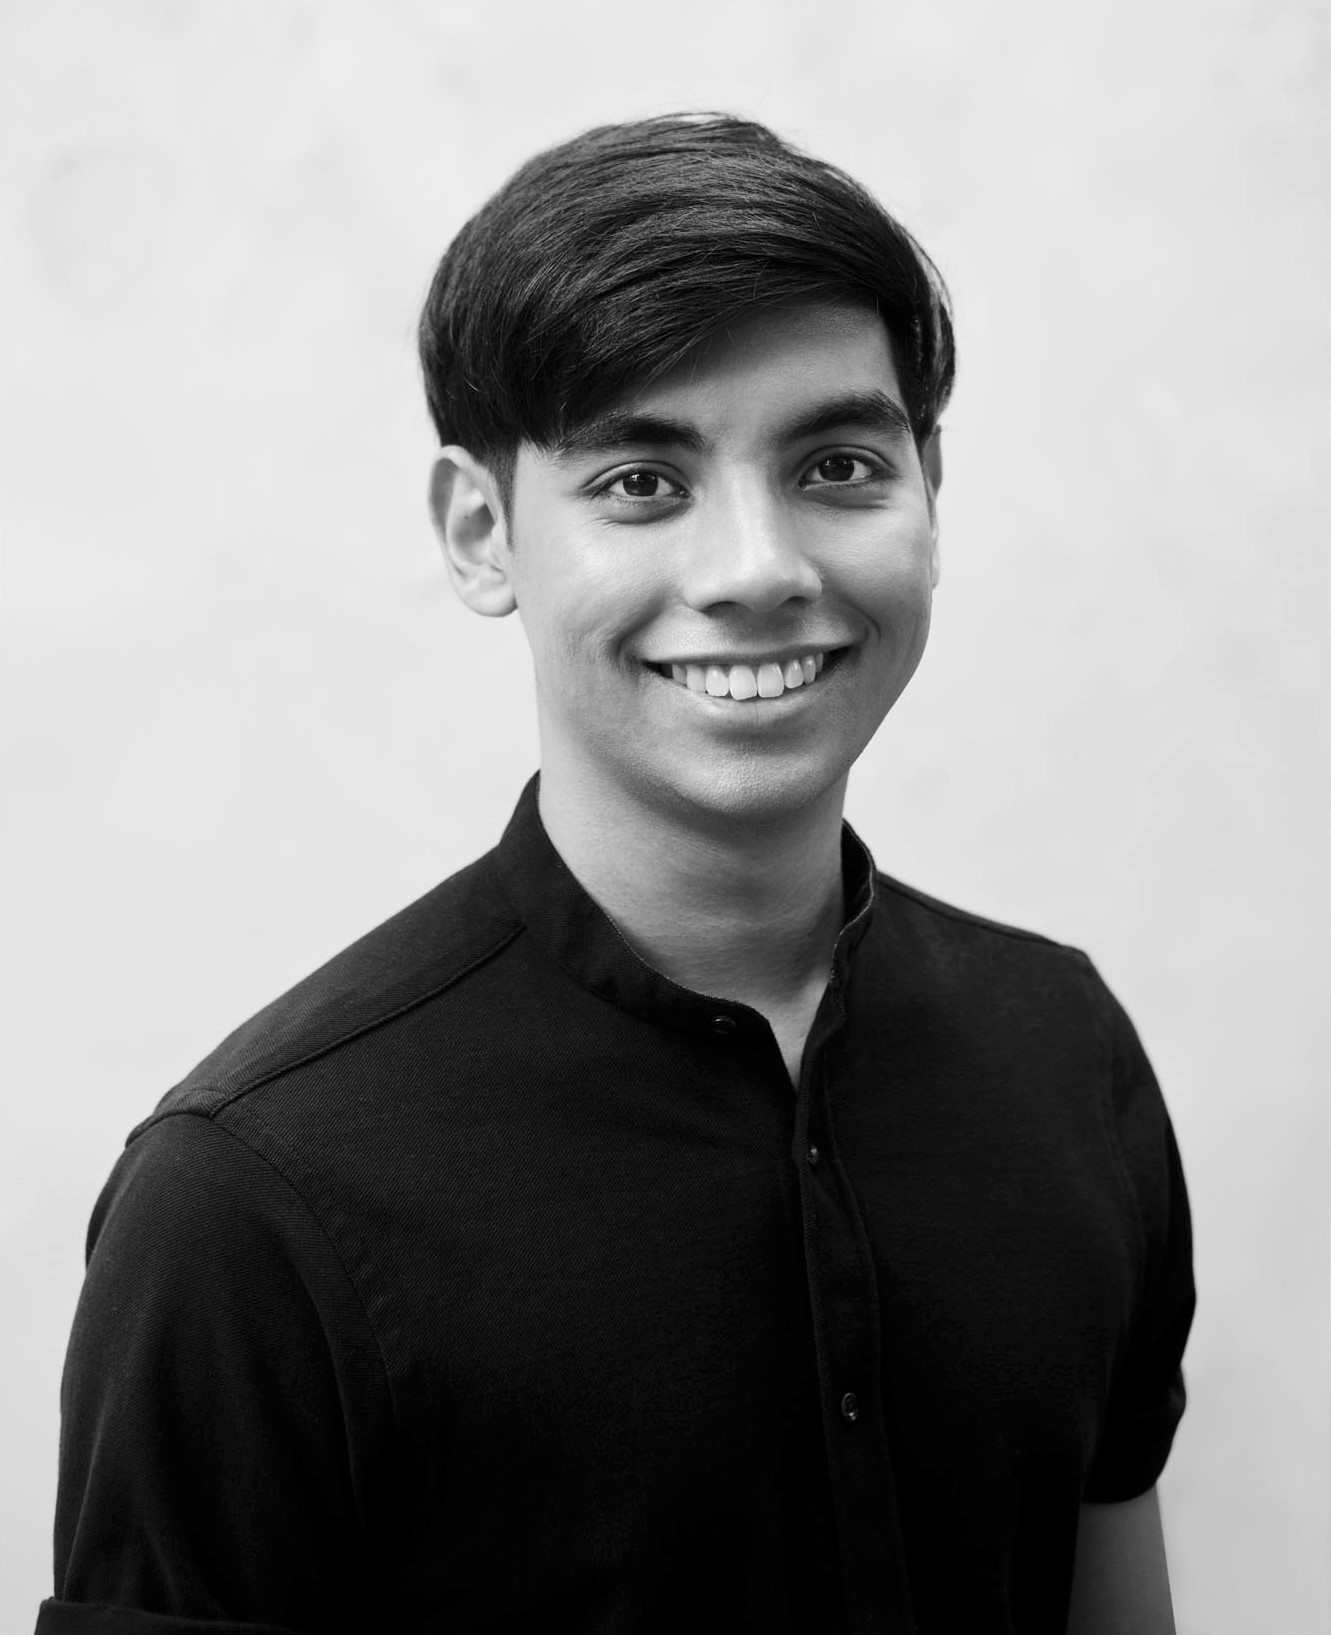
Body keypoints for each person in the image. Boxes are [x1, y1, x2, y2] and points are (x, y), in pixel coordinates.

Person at [37, 113, 1195, 1635]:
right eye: (642, 481)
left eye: (839, 463)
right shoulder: (245, 1203)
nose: (759, 568)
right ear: (481, 531)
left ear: (929, 488)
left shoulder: (1067, 1053)